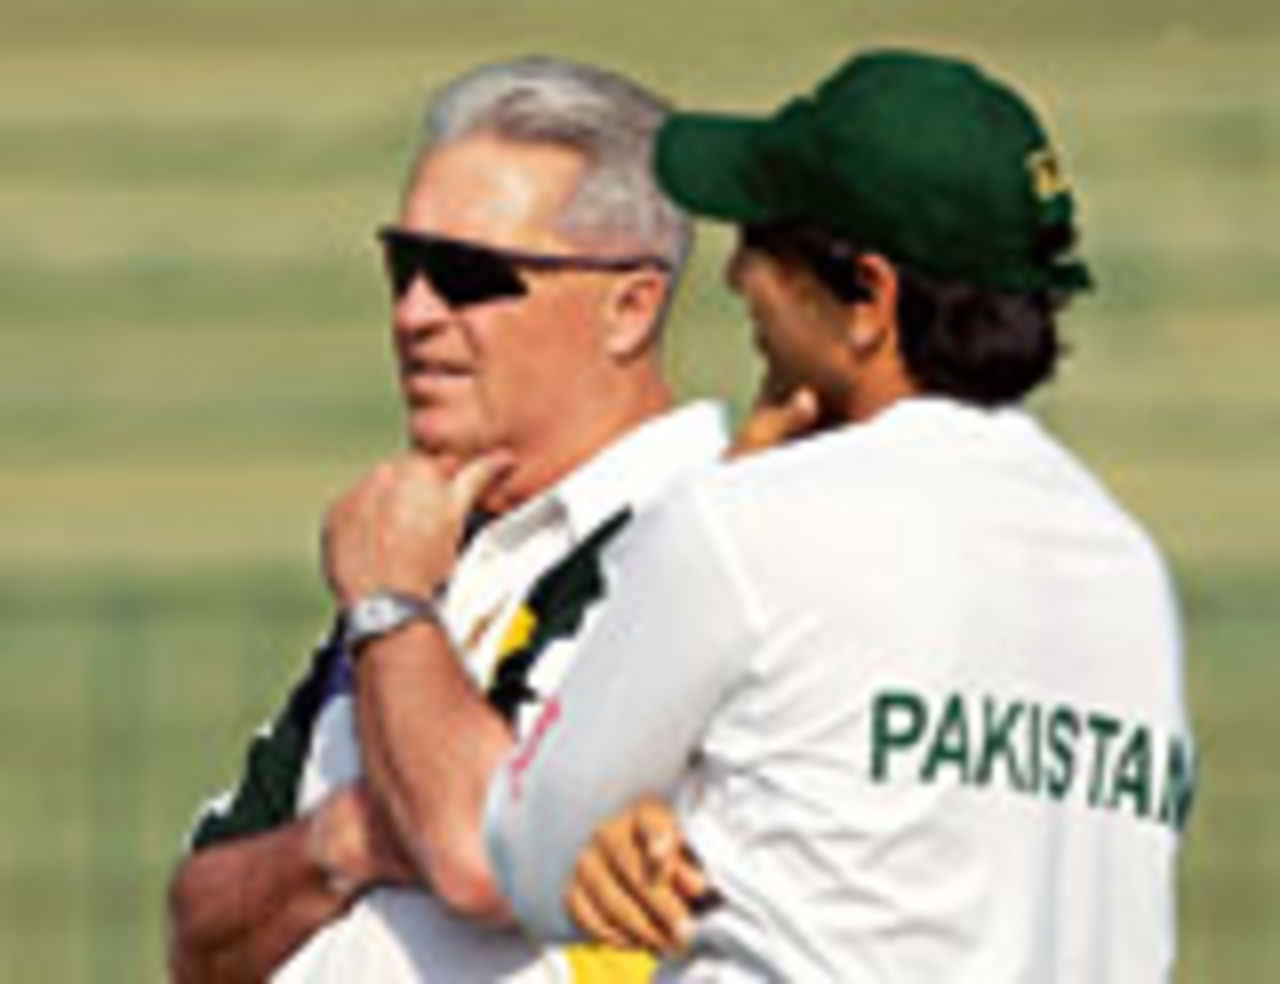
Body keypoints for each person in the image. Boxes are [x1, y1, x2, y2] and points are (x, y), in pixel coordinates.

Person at [484, 49, 1197, 981]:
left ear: (869, 297)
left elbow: (531, 849)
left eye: (765, 244)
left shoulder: (743, 525)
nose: (737, 276)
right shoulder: (1129, 568)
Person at [166, 57, 729, 982]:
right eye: (406, 265)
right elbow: (201, 931)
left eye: (469, 275)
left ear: (630, 306)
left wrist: (388, 604)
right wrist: (343, 839)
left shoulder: (703, 541)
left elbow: (482, 852)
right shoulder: (437, 546)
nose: (414, 314)